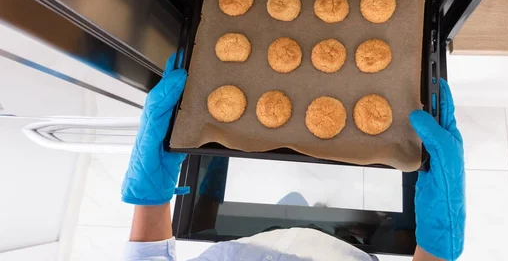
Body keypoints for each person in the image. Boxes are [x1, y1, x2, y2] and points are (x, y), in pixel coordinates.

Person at [121, 53, 465, 261]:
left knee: (292, 201)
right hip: (346, 253)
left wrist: (150, 196)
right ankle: (321, 216)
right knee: (312, 209)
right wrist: (437, 242)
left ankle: (311, 212)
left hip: (245, 246)